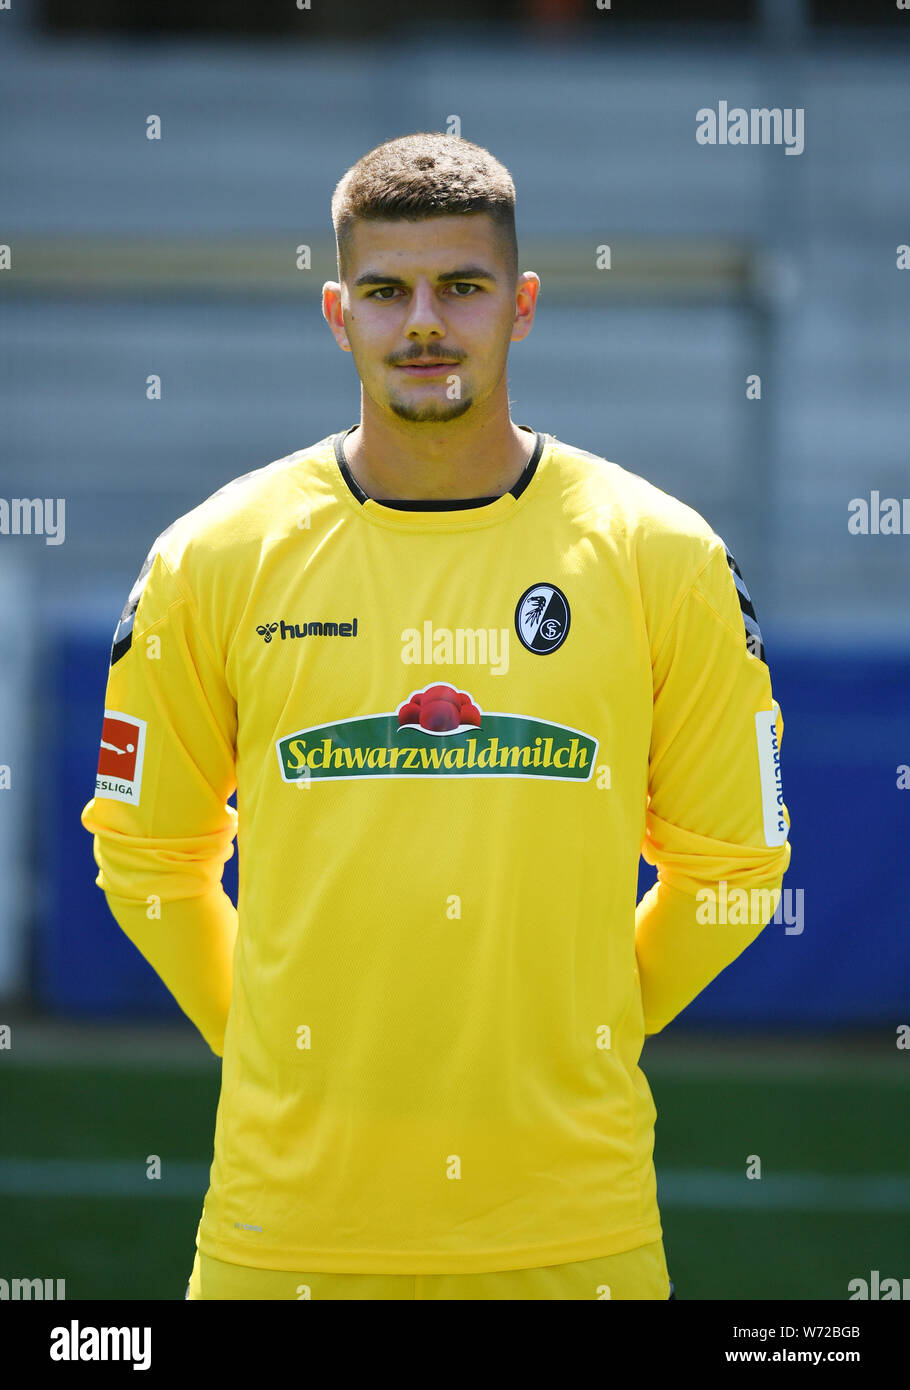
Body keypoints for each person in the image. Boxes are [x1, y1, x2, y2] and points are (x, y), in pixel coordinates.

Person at [81, 131, 790, 1300]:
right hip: (283, 1237)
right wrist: (274, 1056)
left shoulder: (661, 555)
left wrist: (579, 1037)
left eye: (460, 288)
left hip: (574, 1233)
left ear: (519, 306)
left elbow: (736, 868)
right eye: (385, 291)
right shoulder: (211, 558)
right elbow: (145, 860)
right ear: (335, 312)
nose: (423, 322)